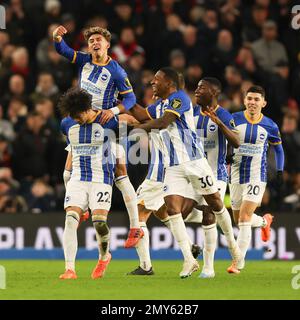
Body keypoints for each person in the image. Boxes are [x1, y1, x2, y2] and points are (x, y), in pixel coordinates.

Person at [134, 67, 242, 278]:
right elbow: (140, 113)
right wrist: (123, 100)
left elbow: (163, 123)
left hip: (195, 162)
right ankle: (189, 259)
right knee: (173, 209)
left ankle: (234, 248)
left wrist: (136, 129)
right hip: (173, 166)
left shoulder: (180, 99)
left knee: (217, 206)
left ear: (170, 83)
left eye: (157, 79)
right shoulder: (161, 105)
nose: (152, 83)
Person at [53, 25, 142, 245]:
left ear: (107, 44)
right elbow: (64, 51)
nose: (95, 43)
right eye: (91, 40)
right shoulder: (84, 61)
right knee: (67, 173)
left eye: (98, 40)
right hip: (81, 122)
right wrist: (57, 38)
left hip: (105, 124)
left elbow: (130, 99)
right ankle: (80, 205)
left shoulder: (117, 71)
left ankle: (135, 226)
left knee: (121, 175)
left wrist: (112, 111)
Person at [58, 87, 131, 279]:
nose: (75, 120)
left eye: (77, 115)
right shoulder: (67, 124)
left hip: (101, 179)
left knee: (99, 223)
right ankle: (69, 269)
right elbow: (72, 147)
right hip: (78, 179)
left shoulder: (109, 122)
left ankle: (104, 256)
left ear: (86, 109)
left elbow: (122, 140)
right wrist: (67, 174)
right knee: (70, 218)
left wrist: (120, 169)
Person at [228, 85, 284, 273]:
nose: (252, 102)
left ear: (264, 103)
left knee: (244, 218)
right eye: (249, 98)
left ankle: (238, 262)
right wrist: (226, 155)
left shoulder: (270, 125)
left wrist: (280, 170)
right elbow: (224, 139)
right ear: (244, 101)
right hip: (235, 174)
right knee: (239, 219)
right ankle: (263, 222)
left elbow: (278, 148)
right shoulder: (233, 119)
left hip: (256, 176)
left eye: (256, 99)